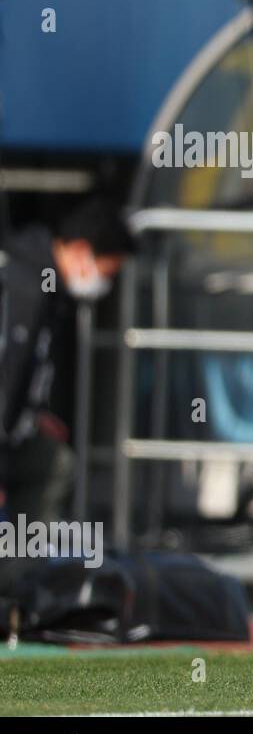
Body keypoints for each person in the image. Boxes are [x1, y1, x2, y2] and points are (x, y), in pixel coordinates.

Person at [1, 196, 133, 528]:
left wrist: (31, 414)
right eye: (107, 271)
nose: (105, 283)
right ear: (79, 251)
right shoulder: (23, 288)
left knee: (55, 461)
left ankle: (16, 567)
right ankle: (13, 572)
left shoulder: (45, 289)